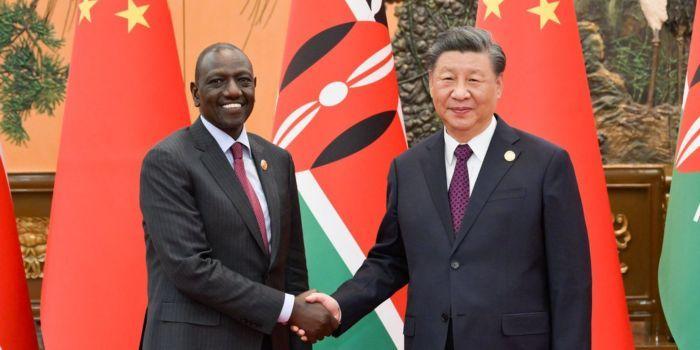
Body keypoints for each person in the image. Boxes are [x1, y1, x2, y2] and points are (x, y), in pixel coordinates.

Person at [295, 26, 592, 349]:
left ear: (499, 85)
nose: (460, 93)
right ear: (432, 83)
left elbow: (570, 283)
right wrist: (340, 305)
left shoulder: (545, 163)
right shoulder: (408, 168)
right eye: (448, 79)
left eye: (474, 80)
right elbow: (391, 260)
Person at [139, 43, 337, 350]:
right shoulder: (168, 160)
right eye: (217, 81)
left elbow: (291, 268)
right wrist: (289, 309)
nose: (233, 91)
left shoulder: (277, 160)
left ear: (254, 86)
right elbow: (191, 268)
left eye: (243, 80)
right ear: (195, 93)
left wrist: (299, 327)